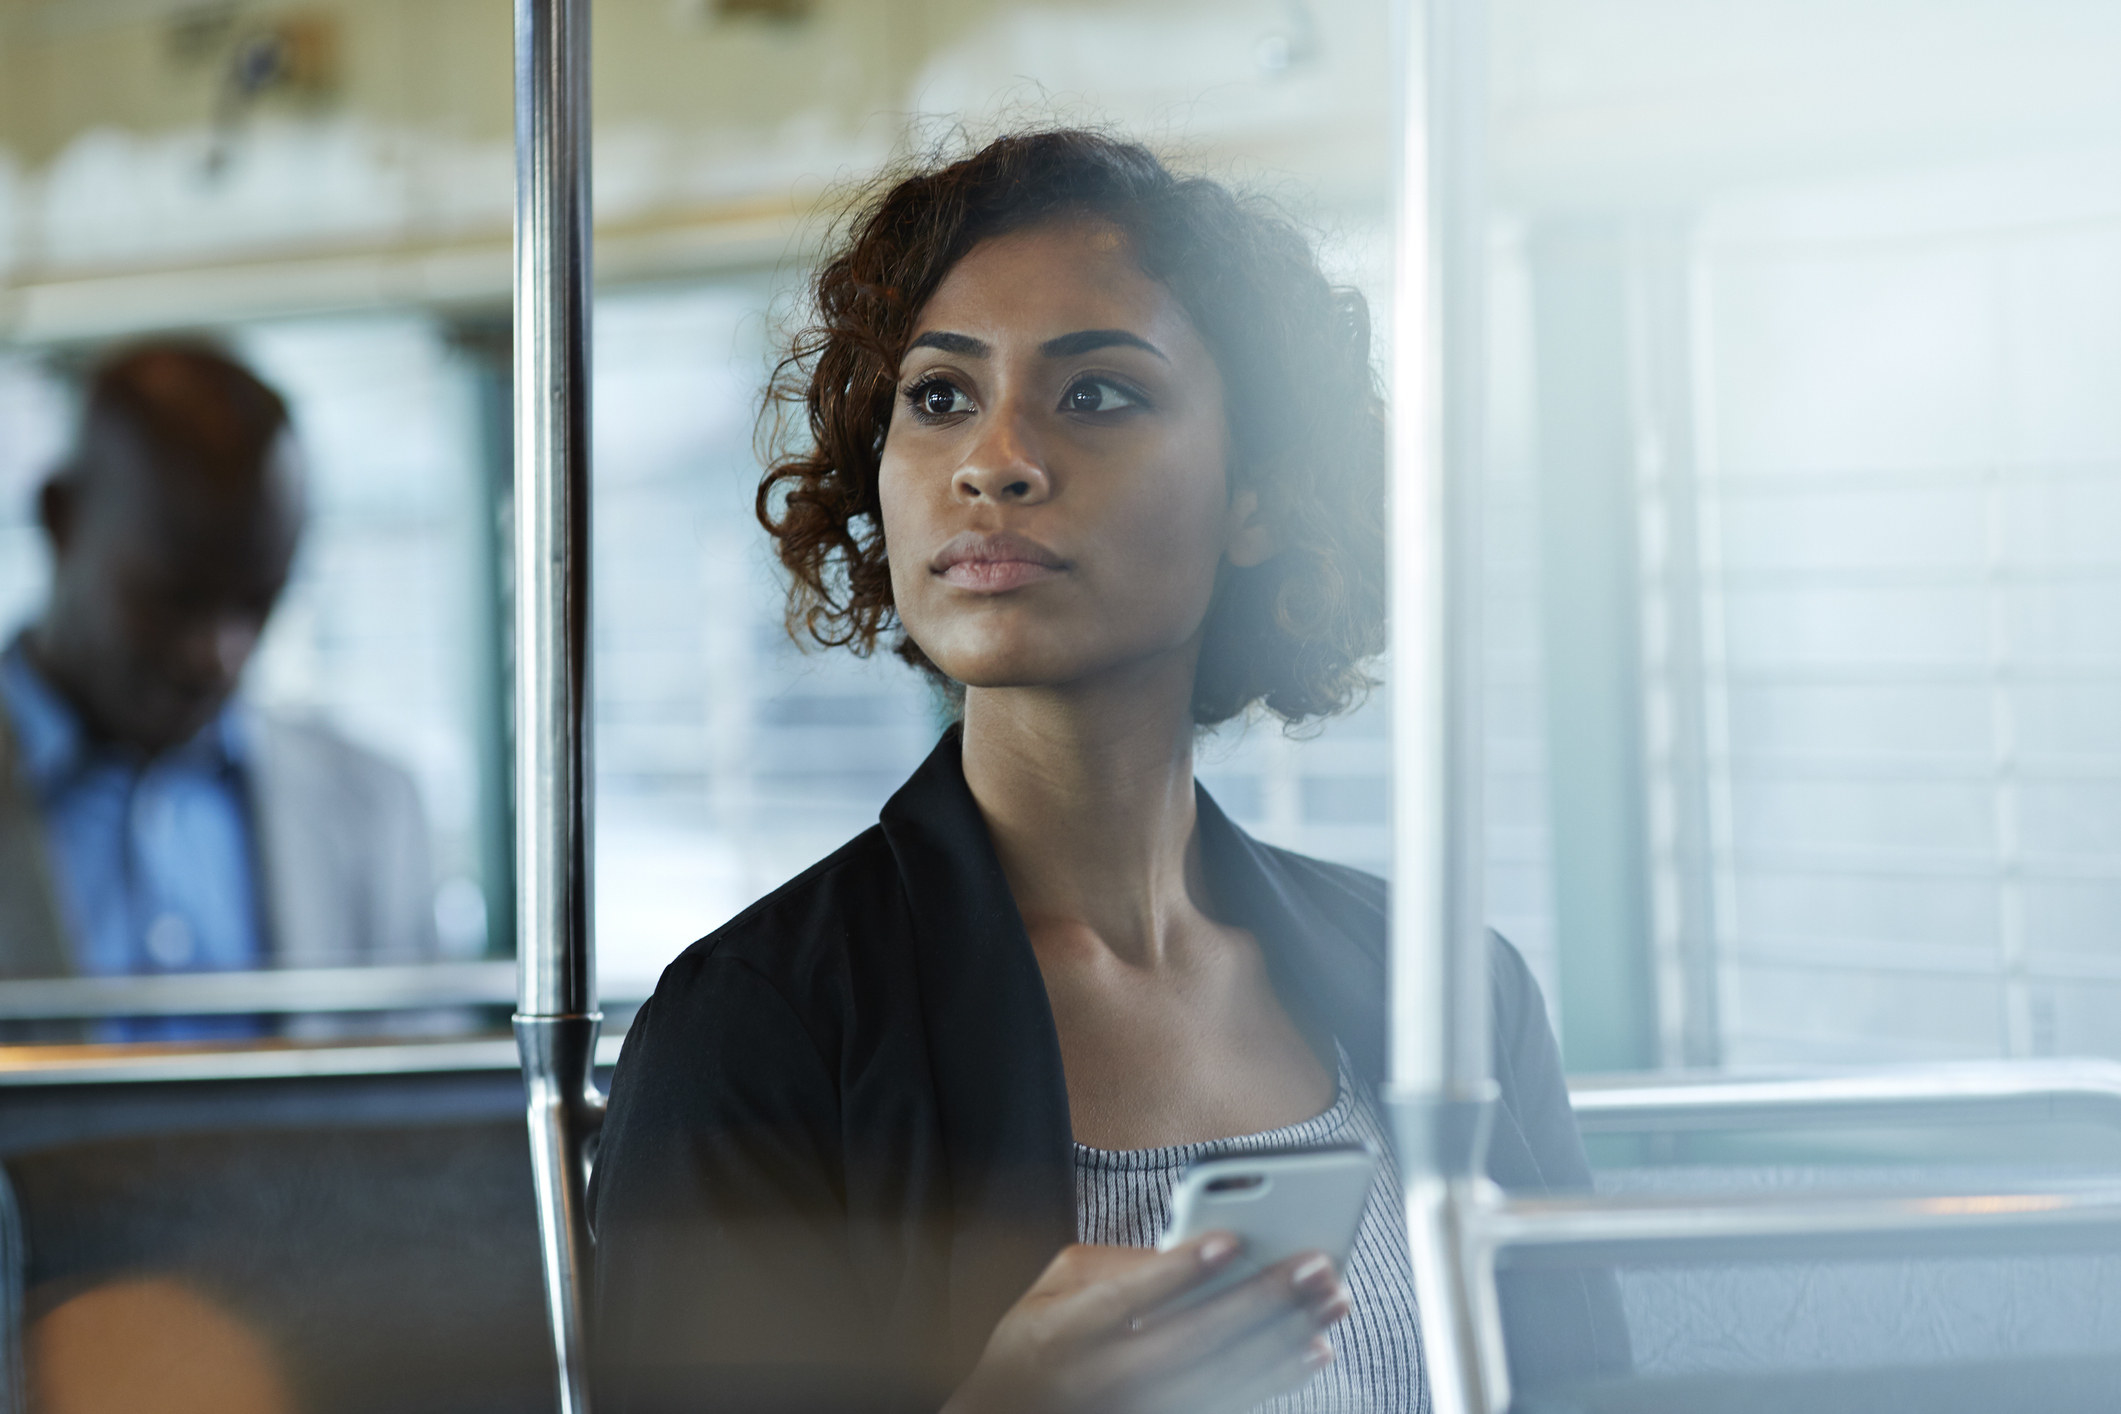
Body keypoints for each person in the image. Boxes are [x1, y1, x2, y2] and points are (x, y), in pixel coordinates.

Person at [590, 131, 1630, 1413]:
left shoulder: (1456, 995)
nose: (996, 459)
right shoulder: (757, 1027)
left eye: (1096, 395)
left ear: (1258, 493)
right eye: (939, 397)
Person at [0, 343, 439, 1039]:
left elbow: (419, 1134)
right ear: (60, 520)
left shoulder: (375, 816)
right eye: (175, 599)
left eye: (258, 603)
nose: (219, 654)